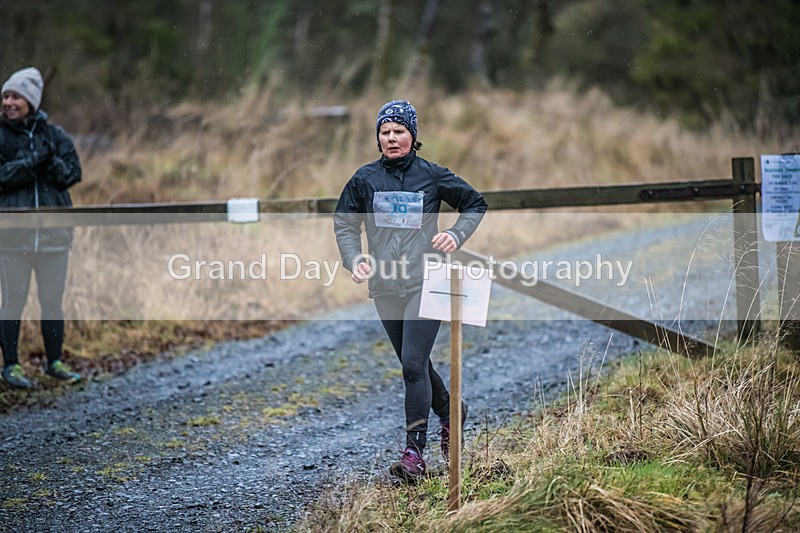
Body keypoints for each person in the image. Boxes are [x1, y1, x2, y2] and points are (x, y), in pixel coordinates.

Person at [334, 100, 487, 482]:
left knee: (412, 365)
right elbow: (345, 224)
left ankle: (413, 454)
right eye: (385, 132)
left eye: (399, 131)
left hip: (428, 280)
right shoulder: (364, 179)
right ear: (378, 138)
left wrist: (454, 234)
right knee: (413, 361)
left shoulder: (432, 176)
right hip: (385, 284)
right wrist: (354, 259)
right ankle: (452, 411)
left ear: (412, 136)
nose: (391, 138)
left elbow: (475, 204)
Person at [0, 66, 82, 389]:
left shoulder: (55, 135)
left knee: (52, 300)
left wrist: (49, 161)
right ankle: (11, 366)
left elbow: (72, 175)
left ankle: (55, 362)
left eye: (15, 96)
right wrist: (31, 164)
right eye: (5, 96)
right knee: (12, 300)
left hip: (53, 237)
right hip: (12, 237)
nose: (8, 102)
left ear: (31, 101)